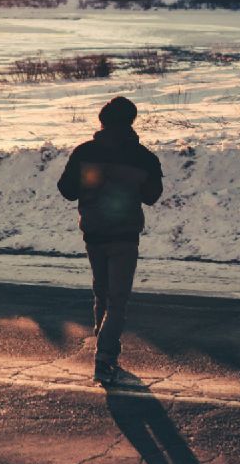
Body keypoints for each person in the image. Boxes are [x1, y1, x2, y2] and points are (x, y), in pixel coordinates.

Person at [57, 96, 163, 385]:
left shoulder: (85, 152)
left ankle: (106, 350)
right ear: (131, 122)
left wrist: (92, 181)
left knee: (101, 293)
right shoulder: (144, 157)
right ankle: (105, 356)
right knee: (118, 299)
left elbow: (66, 190)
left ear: (102, 121)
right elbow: (152, 197)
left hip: (94, 233)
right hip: (125, 235)